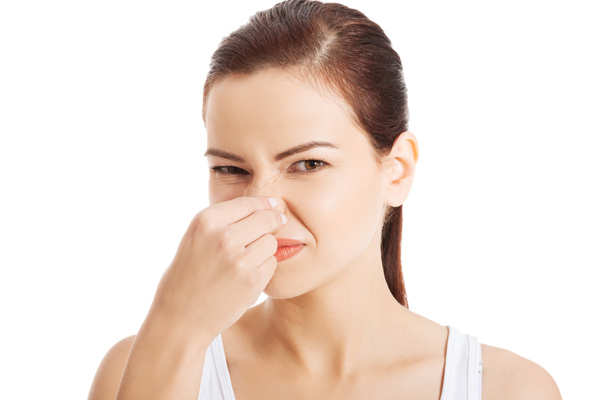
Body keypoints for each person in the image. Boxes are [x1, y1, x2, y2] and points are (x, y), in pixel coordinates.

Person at [88, 1, 562, 399]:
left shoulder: (508, 388)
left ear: (397, 170)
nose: (263, 206)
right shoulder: (141, 367)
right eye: (230, 169)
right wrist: (176, 328)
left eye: (308, 165)